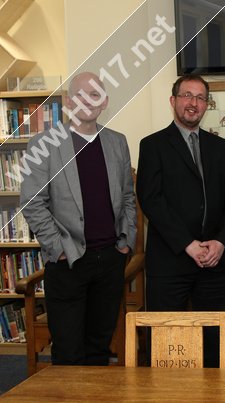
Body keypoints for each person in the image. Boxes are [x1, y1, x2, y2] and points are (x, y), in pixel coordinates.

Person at [20, 71, 137, 365]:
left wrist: (126, 242)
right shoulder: (43, 144)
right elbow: (33, 204)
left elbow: (127, 198)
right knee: (69, 353)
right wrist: (58, 249)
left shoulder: (117, 142)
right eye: (80, 95)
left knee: (99, 349)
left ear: (104, 102)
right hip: (67, 263)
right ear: (69, 101)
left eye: (95, 95)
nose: (88, 101)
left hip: (109, 260)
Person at [136, 74, 225, 367]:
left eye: (200, 97)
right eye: (186, 96)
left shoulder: (220, 147)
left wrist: (221, 242)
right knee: (170, 345)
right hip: (171, 261)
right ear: (173, 101)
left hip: (216, 263)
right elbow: (151, 200)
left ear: (206, 104)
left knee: (213, 345)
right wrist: (188, 244)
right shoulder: (153, 145)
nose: (193, 103)